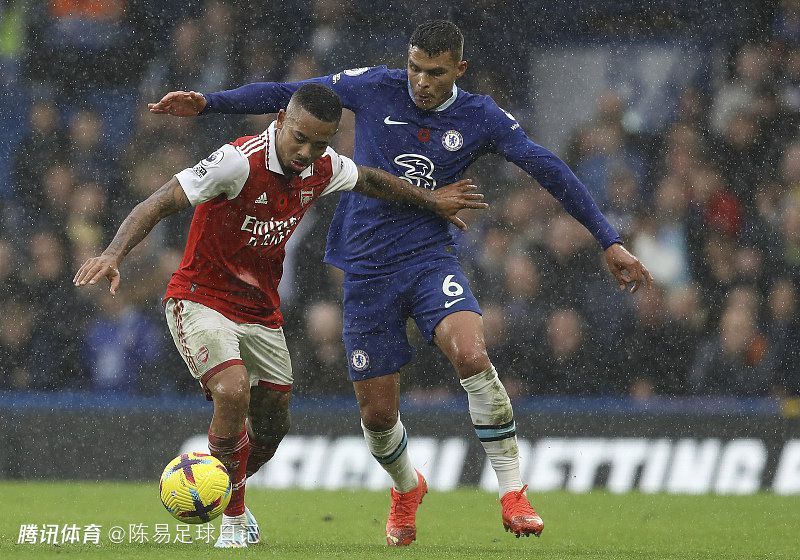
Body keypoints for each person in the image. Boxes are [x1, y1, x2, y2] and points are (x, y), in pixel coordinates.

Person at [149, 20, 654, 545]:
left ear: (459, 68)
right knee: (377, 416)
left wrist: (608, 239)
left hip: (430, 260)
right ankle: (407, 487)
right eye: (415, 68)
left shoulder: (479, 116)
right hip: (365, 270)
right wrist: (208, 103)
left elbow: (546, 166)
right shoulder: (374, 85)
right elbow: (291, 96)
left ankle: (513, 491)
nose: (421, 81)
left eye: (435, 73)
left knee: (472, 356)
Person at [75, 83, 486, 548]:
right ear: (279, 123)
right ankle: (232, 520)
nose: (307, 152)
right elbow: (160, 200)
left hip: (261, 312)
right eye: (299, 138)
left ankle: (219, 488)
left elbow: (370, 180)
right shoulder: (237, 162)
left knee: (273, 427)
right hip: (200, 297)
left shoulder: (322, 167)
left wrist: (432, 200)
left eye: (320, 144)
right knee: (231, 392)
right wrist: (113, 254)